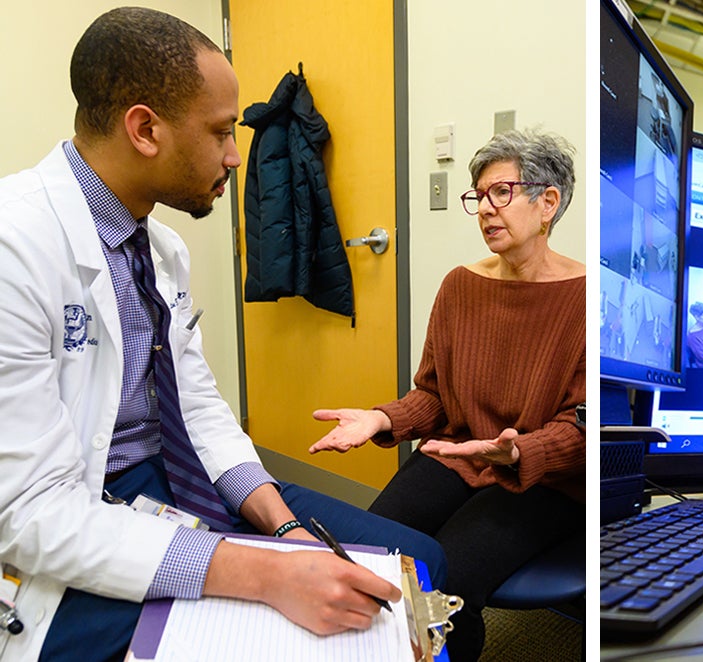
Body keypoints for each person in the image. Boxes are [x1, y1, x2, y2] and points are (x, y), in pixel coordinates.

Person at [0, 9, 443, 661]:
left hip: (176, 482)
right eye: (220, 133)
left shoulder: (163, 250)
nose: (236, 157)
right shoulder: (16, 246)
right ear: (144, 128)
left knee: (420, 566)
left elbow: (198, 408)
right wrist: (267, 573)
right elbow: (30, 514)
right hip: (80, 509)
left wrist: (283, 529)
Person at [309, 129, 585, 661]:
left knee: (443, 589)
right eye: (478, 196)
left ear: (547, 202)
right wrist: (381, 420)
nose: (485, 209)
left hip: (540, 479)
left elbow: (580, 426)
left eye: (500, 193)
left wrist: (521, 451)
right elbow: (434, 396)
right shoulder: (460, 285)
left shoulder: (585, 296)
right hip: (455, 455)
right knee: (374, 559)